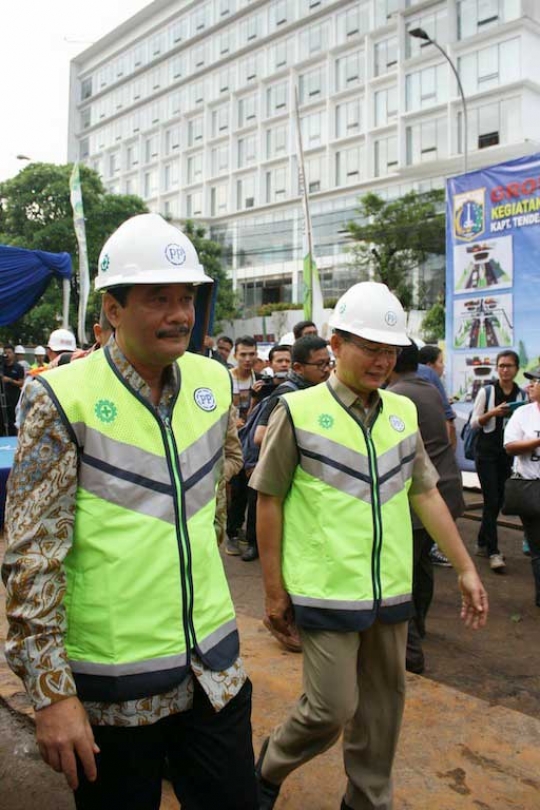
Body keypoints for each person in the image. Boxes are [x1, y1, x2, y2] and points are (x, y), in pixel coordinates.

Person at [2, 213, 257, 810]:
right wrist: (51, 694)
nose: (179, 314)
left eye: (186, 297)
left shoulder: (212, 382)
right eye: (157, 298)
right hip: (114, 692)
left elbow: (222, 483)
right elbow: (32, 556)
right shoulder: (62, 397)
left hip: (213, 674)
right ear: (112, 310)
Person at [250, 281, 488, 810]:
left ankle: (367, 798)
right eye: (370, 348)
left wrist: (466, 568)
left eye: (390, 350)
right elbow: (268, 502)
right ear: (336, 344)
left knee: (382, 708)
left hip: (389, 588)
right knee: (331, 707)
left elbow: (424, 493)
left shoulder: (401, 413)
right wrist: (273, 593)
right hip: (326, 589)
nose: (382, 361)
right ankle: (267, 770)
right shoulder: (300, 411)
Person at [388, 341, 465, 674]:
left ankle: (410, 648)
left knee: (402, 570)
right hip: (447, 486)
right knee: (421, 564)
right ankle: (418, 626)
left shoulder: (396, 398)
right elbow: (449, 434)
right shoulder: (429, 386)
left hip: (423, 495)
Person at [471, 350, 526, 572]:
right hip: (485, 453)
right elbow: (475, 423)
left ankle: (483, 541)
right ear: (497, 368)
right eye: (501, 365)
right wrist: (493, 413)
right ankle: (494, 551)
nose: (505, 370)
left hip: (507, 455)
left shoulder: (521, 395)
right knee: (491, 499)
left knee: (498, 501)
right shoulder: (487, 391)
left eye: (509, 366)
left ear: (516, 369)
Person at [236, 343, 292, 563]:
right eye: (279, 360)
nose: (283, 364)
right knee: (256, 500)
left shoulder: (301, 389)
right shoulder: (264, 386)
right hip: (260, 454)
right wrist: (255, 398)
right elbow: (252, 423)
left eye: (287, 360)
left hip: (286, 454)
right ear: (270, 363)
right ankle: (252, 543)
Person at [504, 366, 540, 606]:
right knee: (538, 549)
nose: (530, 385)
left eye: (536, 381)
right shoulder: (523, 414)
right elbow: (510, 446)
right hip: (531, 490)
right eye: (531, 381)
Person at [0, 344, 25, 435]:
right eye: (5, 352)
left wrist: (9, 380)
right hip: (3, 399)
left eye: (9, 352)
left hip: (14, 398)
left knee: (13, 421)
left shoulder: (18, 368)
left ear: (14, 354)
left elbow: (21, 383)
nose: (7, 355)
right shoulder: (1, 367)